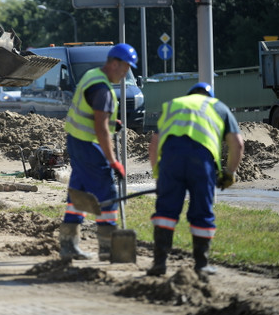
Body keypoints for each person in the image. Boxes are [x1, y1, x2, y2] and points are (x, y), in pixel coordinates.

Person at [147, 82, 245, 276]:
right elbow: (238, 145)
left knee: (166, 211)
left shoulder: (173, 104)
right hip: (201, 161)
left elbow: (154, 144)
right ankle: (201, 264)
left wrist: (159, 172)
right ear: (209, 96)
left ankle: (159, 263)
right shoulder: (219, 107)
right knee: (202, 210)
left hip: (171, 159)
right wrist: (229, 173)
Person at [61, 43, 139, 261]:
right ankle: (109, 249)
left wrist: (112, 122)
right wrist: (114, 162)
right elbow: (101, 129)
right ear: (114, 64)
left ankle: (68, 245)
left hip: (76, 141)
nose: (125, 74)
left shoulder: (91, 75)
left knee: (79, 194)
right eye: (125, 68)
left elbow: (93, 115)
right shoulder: (103, 90)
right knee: (107, 196)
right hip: (90, 147)